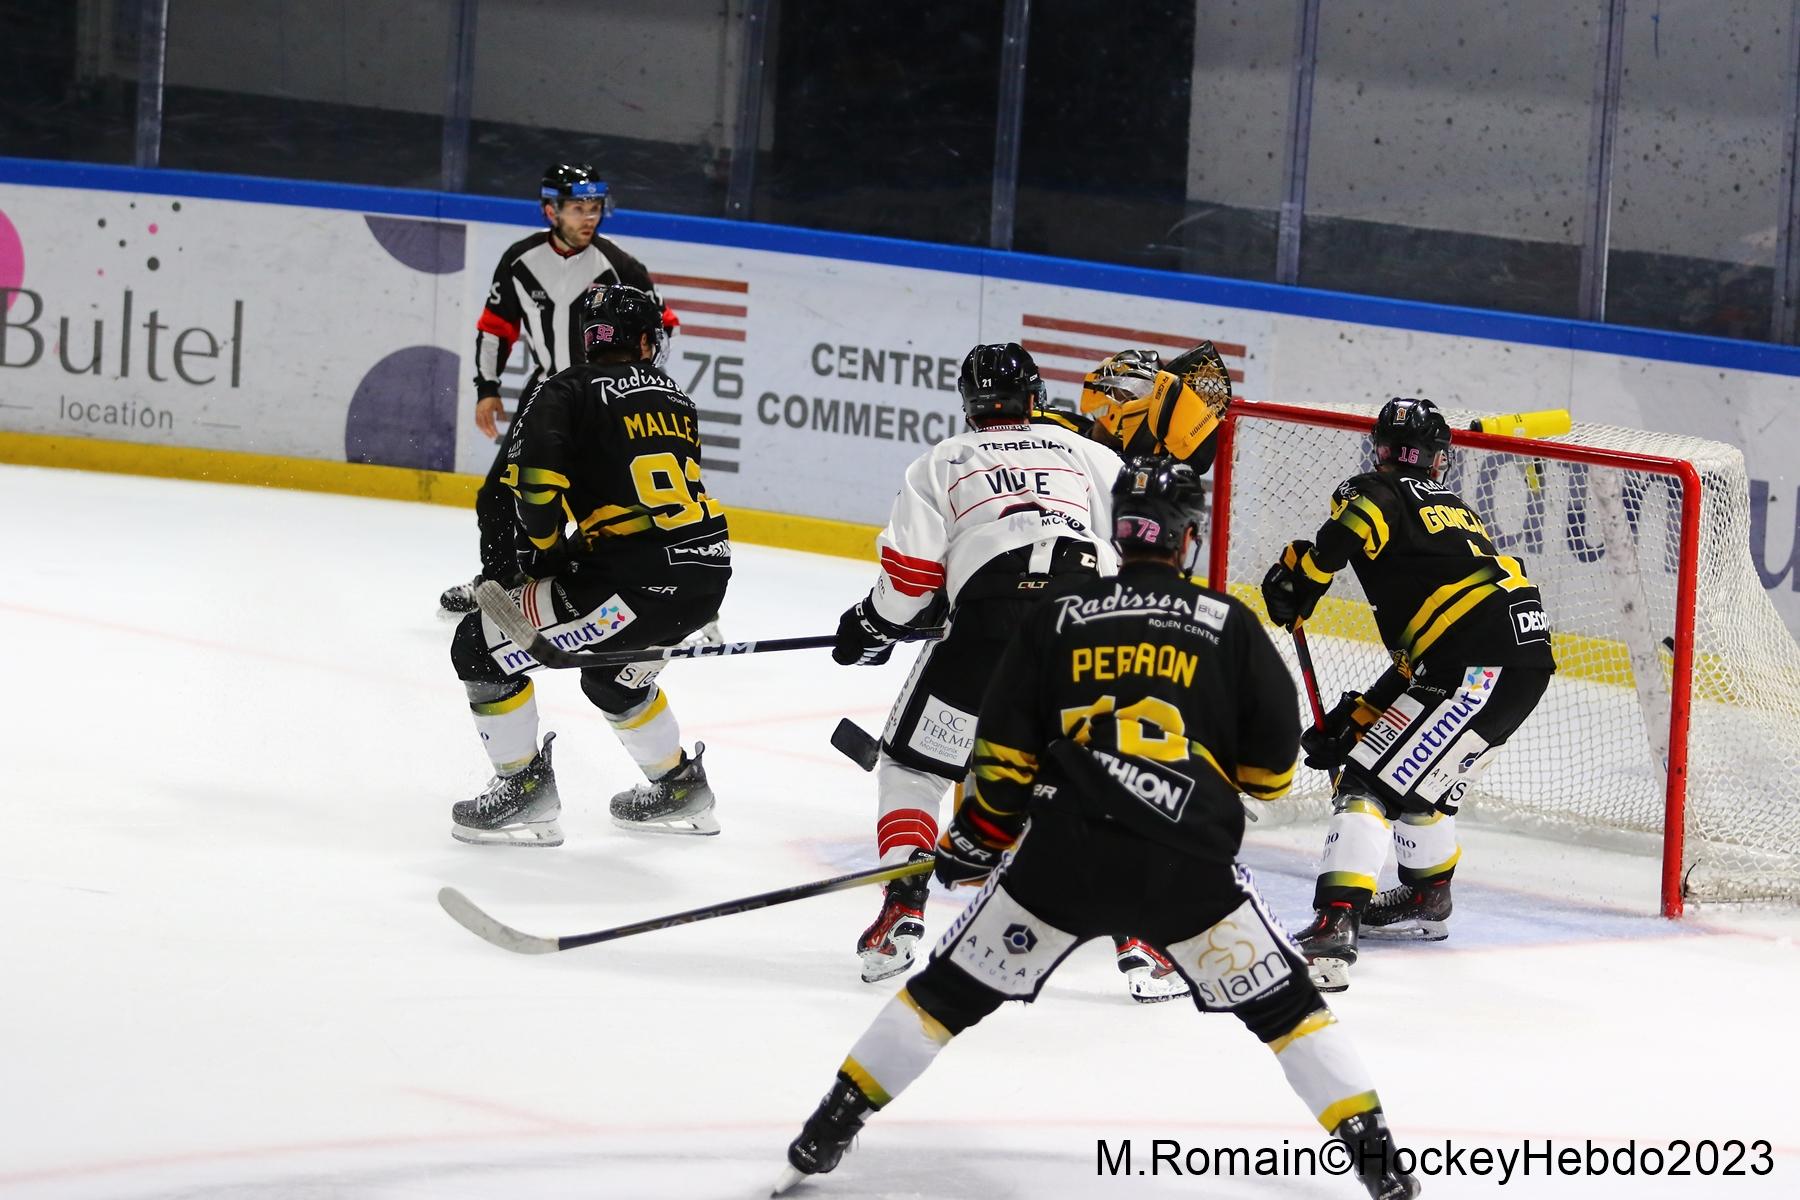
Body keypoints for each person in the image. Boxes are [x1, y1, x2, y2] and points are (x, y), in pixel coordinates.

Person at [778, 458, 1419, 1200]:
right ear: (1189, 537)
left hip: (1061, 862)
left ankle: (827, 1129)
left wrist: (975, 840)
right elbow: (1271, 776)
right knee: (1289, 1012)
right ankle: (1380, 1165)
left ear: (1119, 530)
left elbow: (1003, 758)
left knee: (943, 997)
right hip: (1189, 870)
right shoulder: (1230, 626)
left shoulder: (1057, 618)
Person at [830, 342, 1125, 985]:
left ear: (967, 404)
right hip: (1092, 633)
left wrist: (871, 624)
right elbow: (1143, 540)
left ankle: (903, 906)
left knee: (913, 769)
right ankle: (1141, 943)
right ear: (1036, 398)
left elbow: (910, 582)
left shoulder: (944, 460)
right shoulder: (1089, 454)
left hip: (992, 629)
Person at [1260, 397, 1555, 991]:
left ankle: (1335, 925)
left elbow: (1353, 522)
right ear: (1439, 458)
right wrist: (1363, 717)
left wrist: (1306, 577)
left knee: (1364, 784)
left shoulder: (1377, 490)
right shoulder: (1457, 513)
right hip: (1513, 659)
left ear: (1379, 450)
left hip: (1478, 665)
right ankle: (1427, 896)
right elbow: (1422, 661)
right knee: (1421, 781)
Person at [445, 283, 729, 845]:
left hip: (629, 589)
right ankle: (678, 786)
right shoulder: (677, 399)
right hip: (706, 579)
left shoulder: (565, 389)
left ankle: (523, 790)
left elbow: (536, 488)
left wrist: (542, 556)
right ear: (643, 340)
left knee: (477, 646)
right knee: (610, 679)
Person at [439, 163, 677, 617]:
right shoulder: (519, 261)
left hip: (606, 400)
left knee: (620, 500)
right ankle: (500, 584)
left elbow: (663, 327)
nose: (590, 217)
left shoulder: (621, 266)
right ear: (551, 212)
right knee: (499, 495)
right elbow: (496, 328)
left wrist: (638, 384)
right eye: (578, 209)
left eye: (595, 208)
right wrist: (487, 388)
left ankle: (664, 593)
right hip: (548, 392)